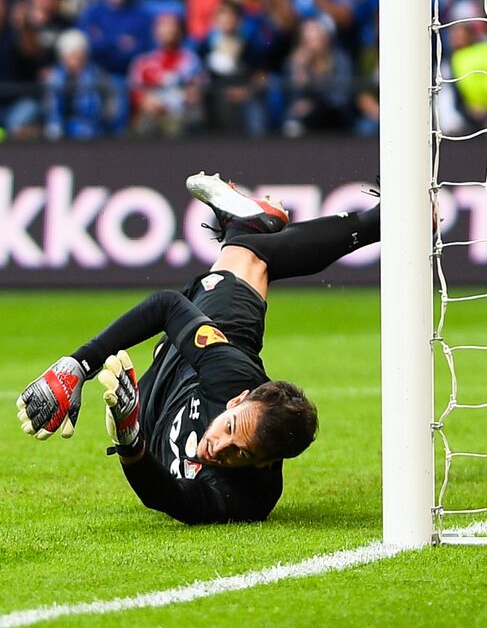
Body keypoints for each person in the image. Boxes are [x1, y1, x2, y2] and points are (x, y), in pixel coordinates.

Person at [16, 174, 381, 525]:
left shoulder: (249, 497)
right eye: (229, 428)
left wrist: (130, 439)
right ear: (237, 401)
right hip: (226, 331)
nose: (218, 447)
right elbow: (166, 306)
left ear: (263, 465)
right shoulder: (231, 377)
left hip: (163, 386)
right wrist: (79, 365)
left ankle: (247, 226)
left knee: (244, 250)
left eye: (240, 453)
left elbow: (170, 499)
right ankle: (380, 220)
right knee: (249, 257)